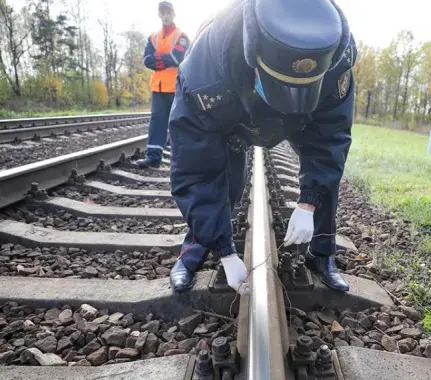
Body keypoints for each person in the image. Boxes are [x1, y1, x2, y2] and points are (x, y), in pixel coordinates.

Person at [168, 0, 356, 295]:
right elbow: (196, 169)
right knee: (224, 178)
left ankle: (322, 253)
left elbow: (330, 140)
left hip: (308, 117)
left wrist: (308, 203)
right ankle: (193, 253)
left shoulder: (336, 56)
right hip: (235, 109)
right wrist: (227, 253)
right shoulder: (206, 69)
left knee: (324, 178)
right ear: (252, 56)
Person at [136, 1, 190, 168]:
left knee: (179, 124)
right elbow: (147, 60)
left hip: (176, 87)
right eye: (163, 13)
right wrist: (165, 59)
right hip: (158, 87)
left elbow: (177, 58)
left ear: (174, 14)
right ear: (159, 15)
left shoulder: (181, 37)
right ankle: (153, 158)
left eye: (168, 12)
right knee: (157, 122)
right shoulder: (153, 37)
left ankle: (182, 160)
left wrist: (157, 58)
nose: (166, 15)